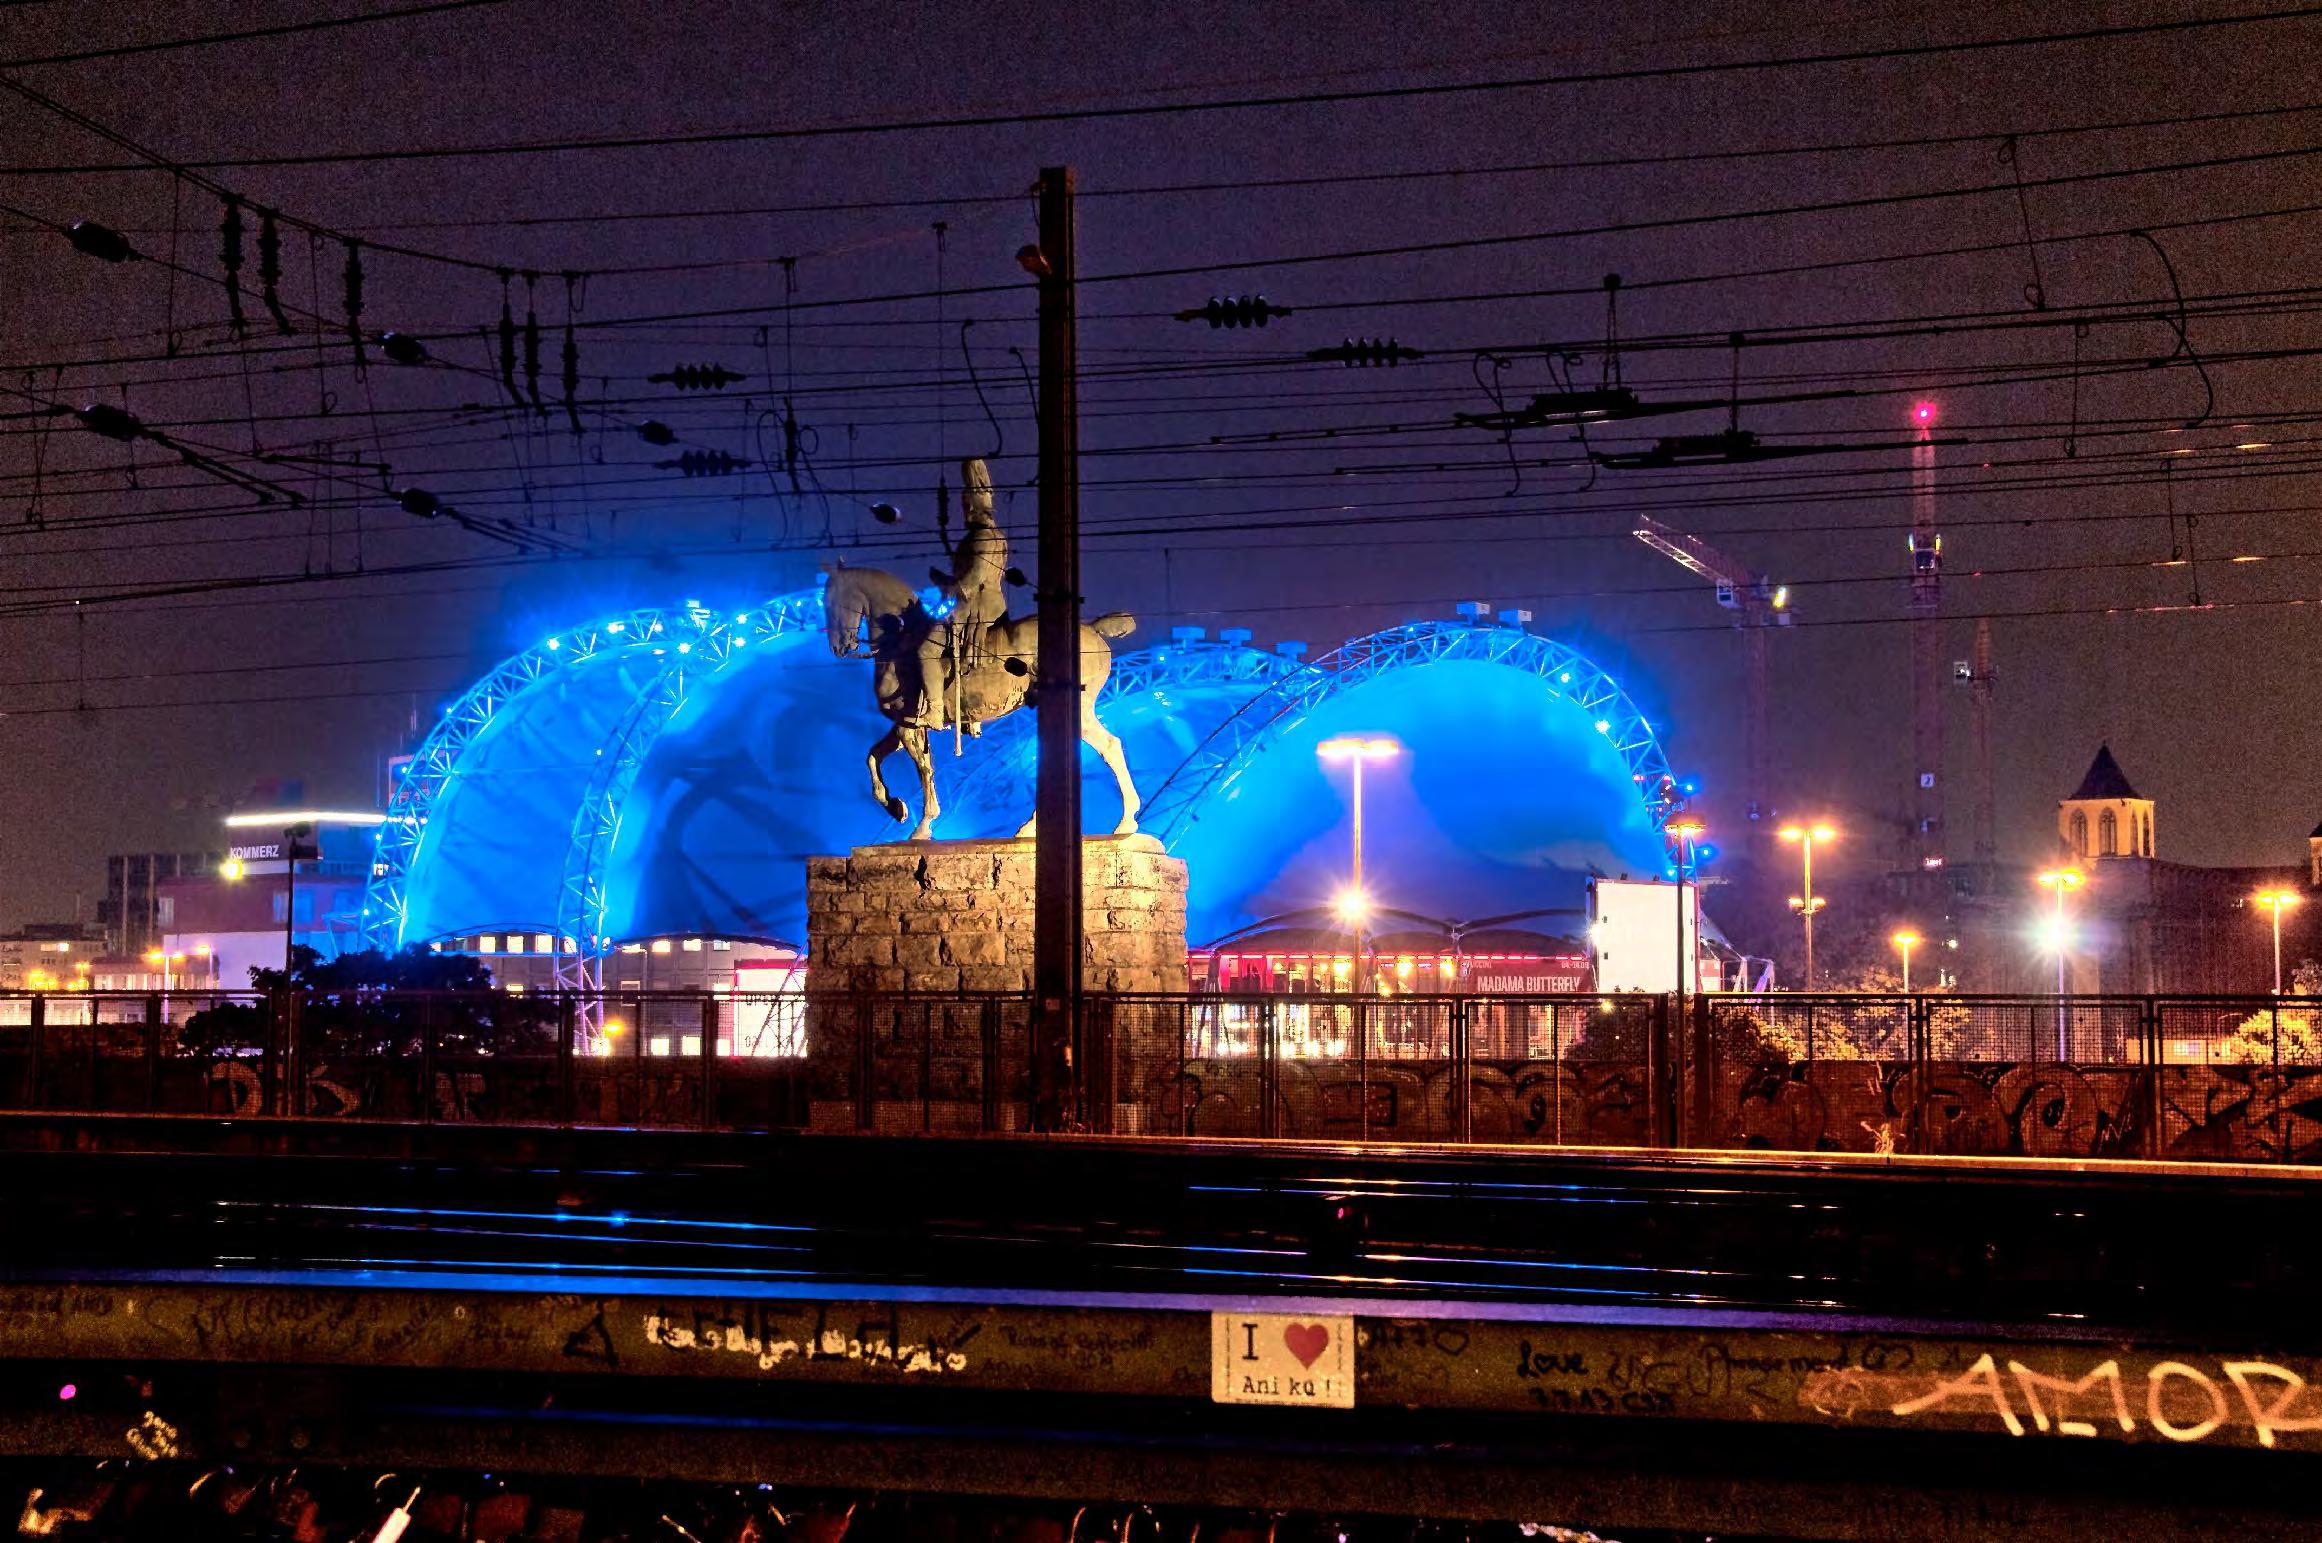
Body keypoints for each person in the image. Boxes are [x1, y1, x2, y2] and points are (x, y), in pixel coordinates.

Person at [913, 458, 1009, 731]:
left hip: (976, 606)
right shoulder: (994, 535)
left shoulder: (981, 537)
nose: (964, 511)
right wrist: (945, 580)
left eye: (966, 506)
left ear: (972, 506)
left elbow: (973, 579)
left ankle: (935, 710)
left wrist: (946, 585)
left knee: (927, 649)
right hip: (988, 601)